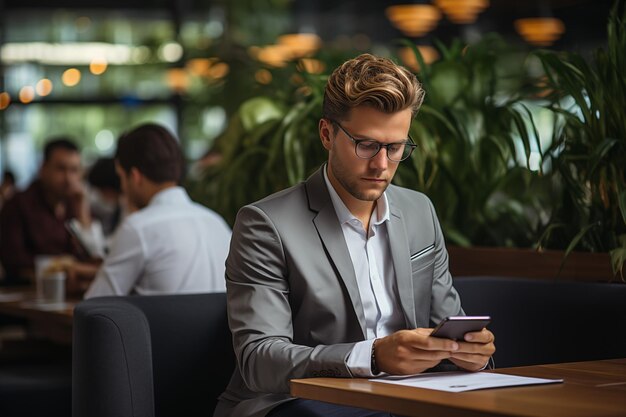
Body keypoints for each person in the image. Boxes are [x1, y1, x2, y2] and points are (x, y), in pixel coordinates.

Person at [215, 54, 496, 417]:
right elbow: (260, 359)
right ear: (326, 134)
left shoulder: (419, 211)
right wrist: (374, 356)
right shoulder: (265, 223)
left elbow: (448, 326)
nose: (381, 164)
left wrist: (470, 353)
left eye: (395, 148)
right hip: (299, 403)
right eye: (366, 145)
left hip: (408, 397)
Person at [83, 123, 231, 298]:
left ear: (135, 176)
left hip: (162, 326)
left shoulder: (139, 228)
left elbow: (95, 306)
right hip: (220, 326)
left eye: (122, 177)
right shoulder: (217, 222)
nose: (123, 188)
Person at [0, 138, 94, 284]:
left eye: (74, 170)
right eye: (61, 169)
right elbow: (13, 260)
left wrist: (83, 212)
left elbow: (91, 258)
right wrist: (60, 265)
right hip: (24, 293)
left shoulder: (73, 204)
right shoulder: (19, 203)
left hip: (67, 293)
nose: (68, 178)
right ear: (43, 168)